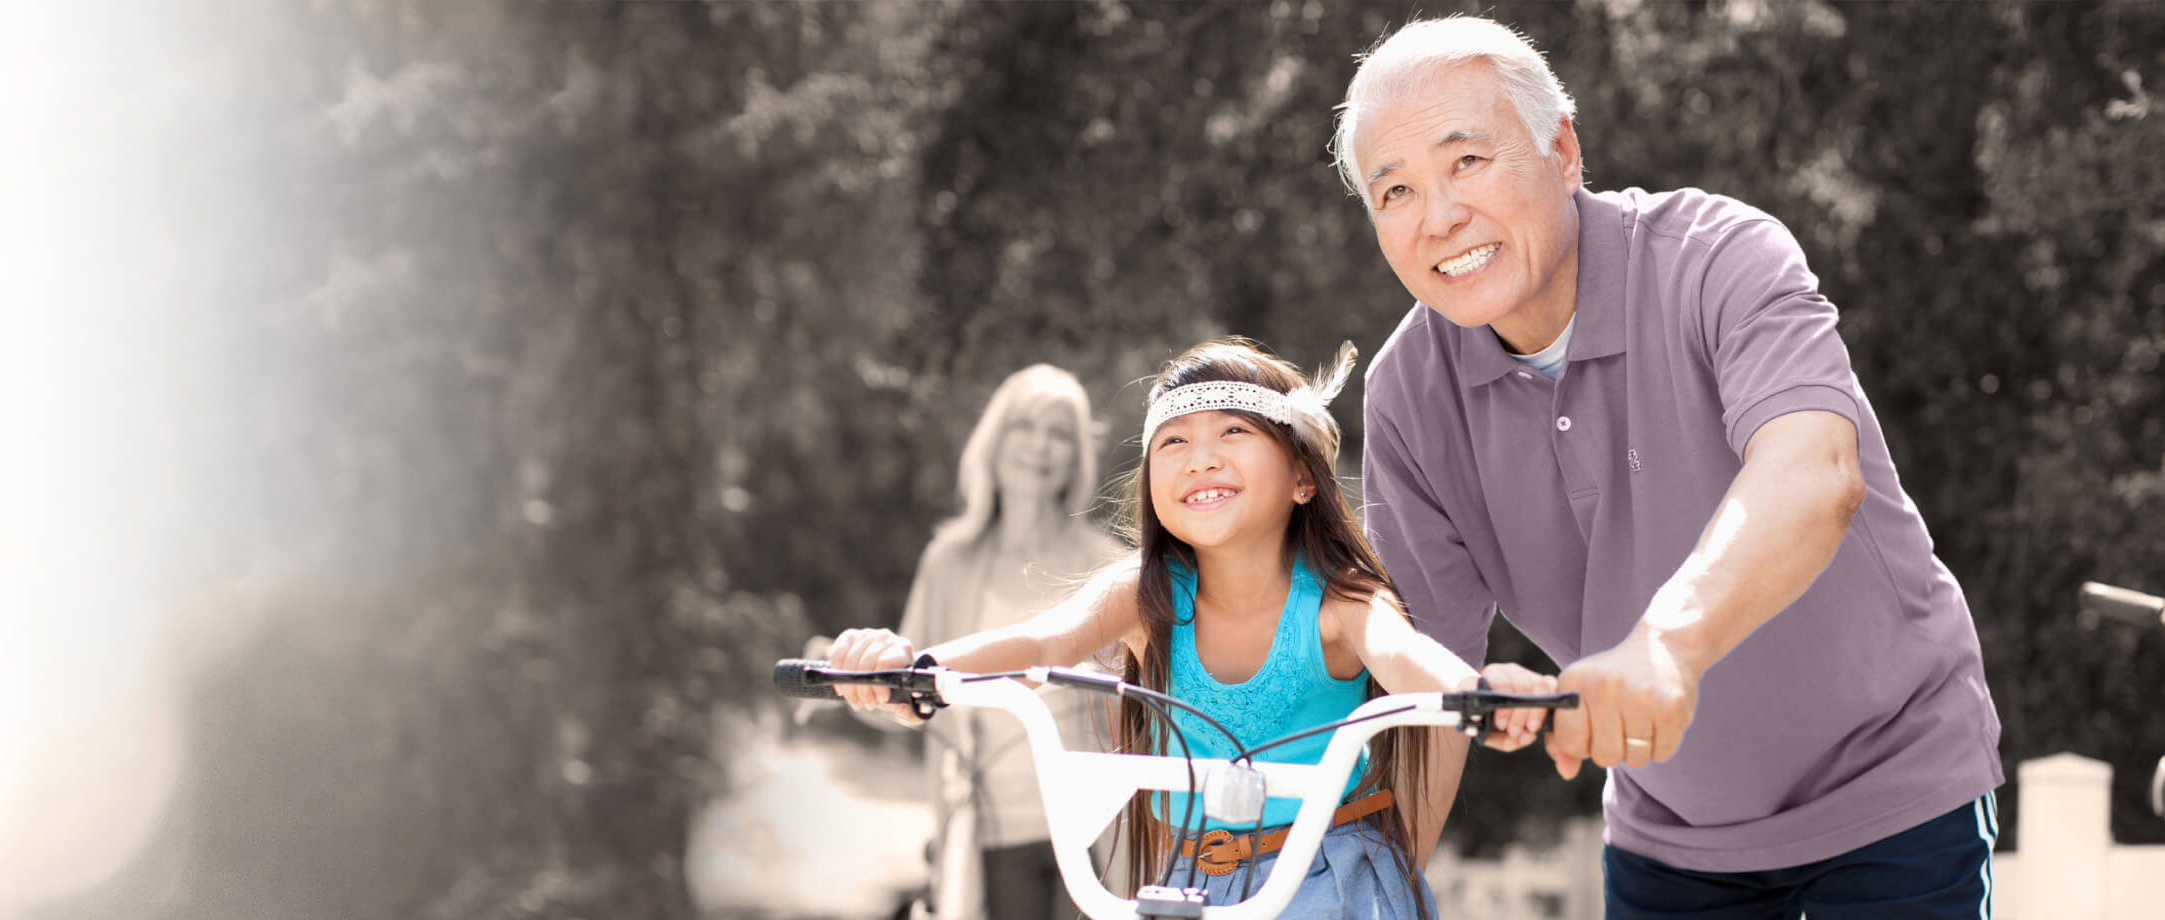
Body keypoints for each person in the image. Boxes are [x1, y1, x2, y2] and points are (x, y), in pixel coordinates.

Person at [1335, 16, 2004, 919]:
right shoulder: (1405, 396)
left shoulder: (1721, 257)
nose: (1439, 216)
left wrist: (1665, 645)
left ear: (1563, 150)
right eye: (1395, 192)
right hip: (1670, 836)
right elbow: (1426, 683)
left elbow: (1815, 471)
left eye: (1467, 162)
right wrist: (1367, 889)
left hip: (1896, 794)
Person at [831, 339, 1556, 920]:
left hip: (1333, 881)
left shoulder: (1340, 601)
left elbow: (1401, 655)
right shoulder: (1145, 593)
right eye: (1172, 442)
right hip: (1190, 879)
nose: (1201, 456)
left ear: (1304, 479)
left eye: (1233, 433)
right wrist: (918, 668)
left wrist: (1475, 692)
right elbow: (1044, 643)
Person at [880, 364, 1127, 920]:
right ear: (995, 440)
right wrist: (846, 677)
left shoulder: (1111, 566)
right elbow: (906, 690)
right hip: (989, 829)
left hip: (1093, 829)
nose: (1040, 446)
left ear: (1075, 455)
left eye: (1059, 433)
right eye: (1026, 427)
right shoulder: (948, 561)